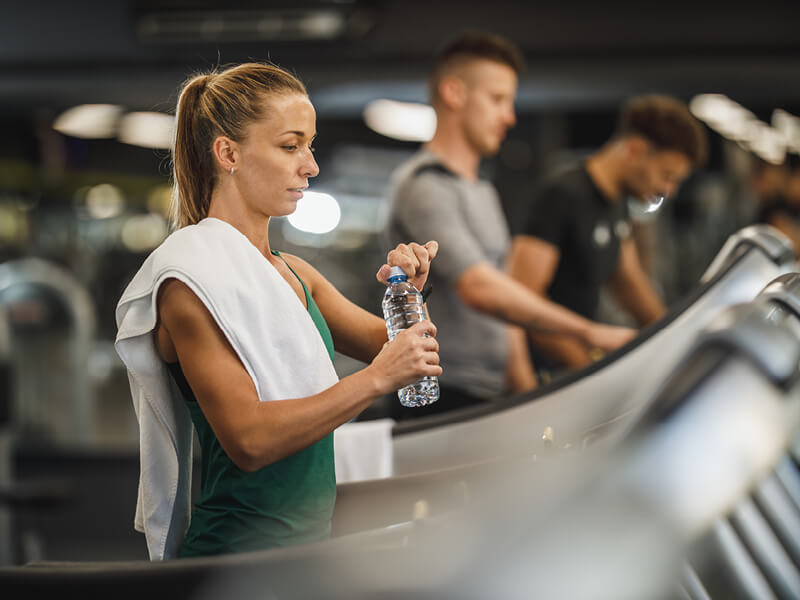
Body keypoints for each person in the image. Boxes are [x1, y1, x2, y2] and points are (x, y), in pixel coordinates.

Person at [115, 62, 441, 559]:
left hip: (304, 553)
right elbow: (249, 440)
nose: (309, 165)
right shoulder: (188, 281)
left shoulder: (295, 272)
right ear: (229, 153)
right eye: (291, 146)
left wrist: (409, 295)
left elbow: (404, 352)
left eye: (309, 146)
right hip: (234, 561)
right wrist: (375, 380)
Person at [384, 31, 635, 420]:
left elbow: (506, 306)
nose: (510, 116)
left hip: (488, 394)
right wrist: (588, 332)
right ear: (454, 94)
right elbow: (480, 289)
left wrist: (526, 395)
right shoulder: (423, 184)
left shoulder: (482, 189)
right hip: (440, 395)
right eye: (497, 99)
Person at [508, 94, 709, 373]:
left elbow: (628, 282)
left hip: (576, 367)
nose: (668, 190)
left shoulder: (616, 204)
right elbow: (520, 298)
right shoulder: (562, 195)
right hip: (542, 375)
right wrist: (587, 368)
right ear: (636, 150)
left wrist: (677, 340)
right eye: (666, 175)